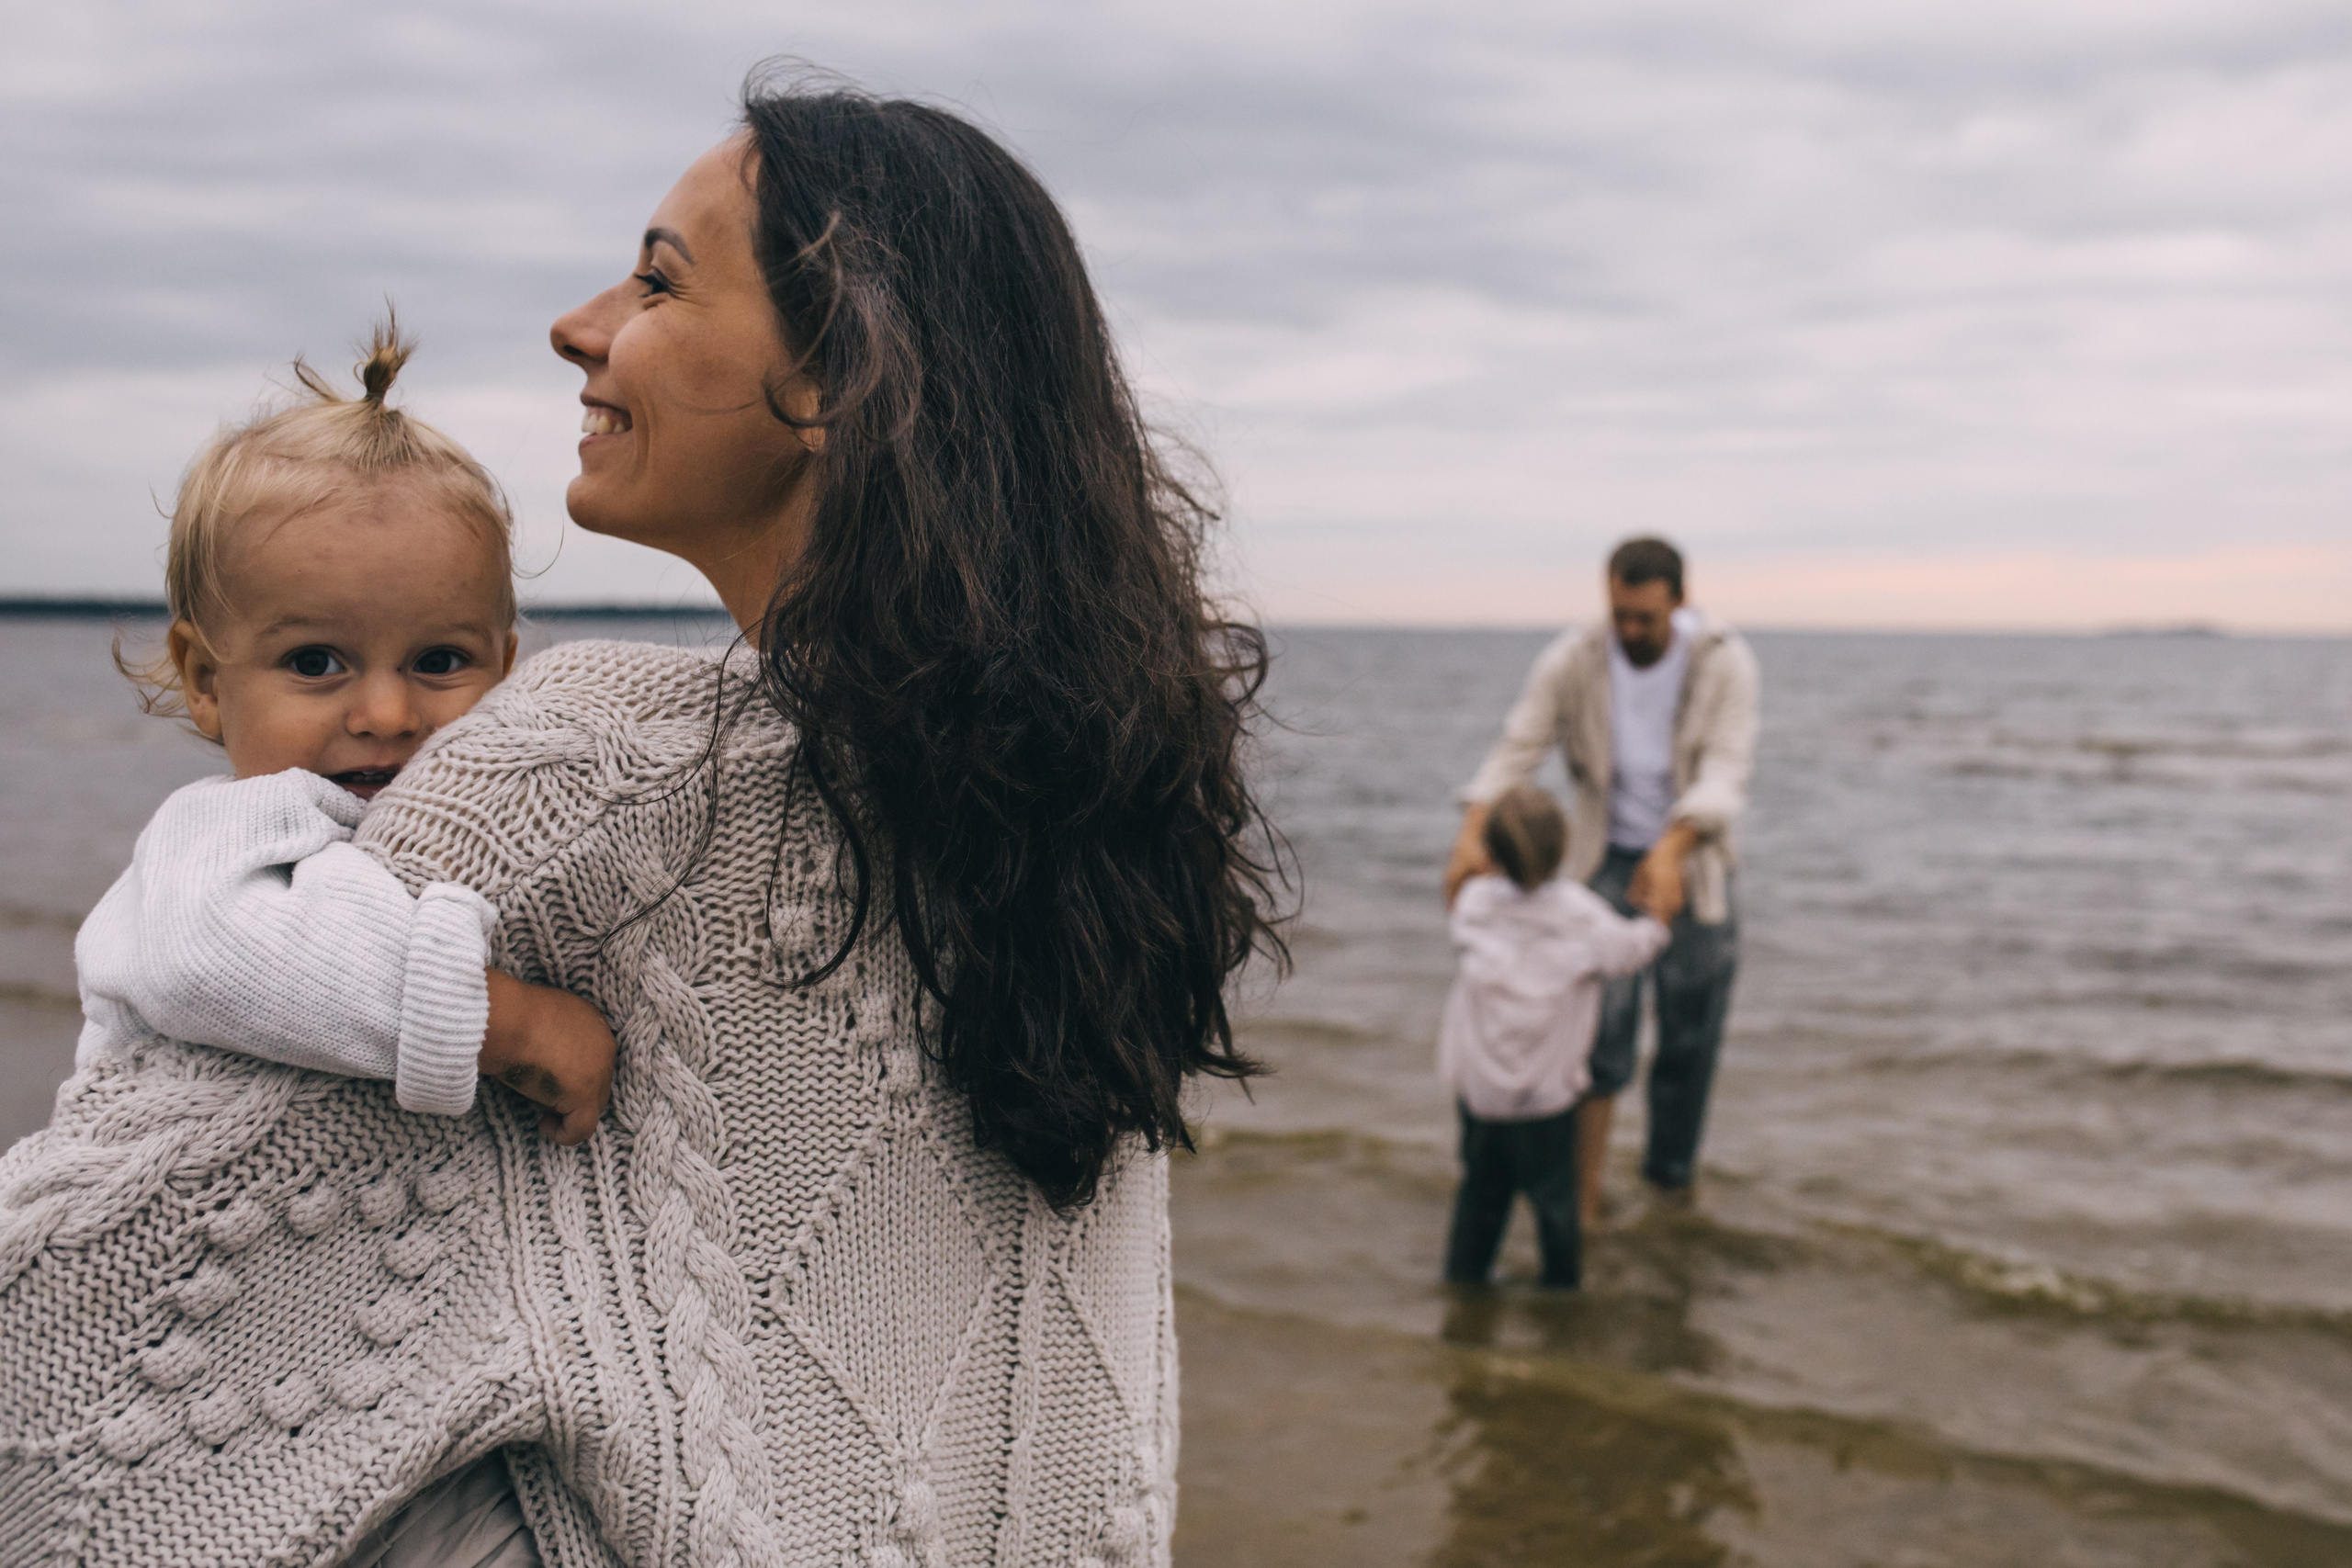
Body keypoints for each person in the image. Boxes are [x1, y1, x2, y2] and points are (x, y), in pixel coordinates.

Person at [0, 78, 1283, 1568]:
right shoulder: (1093, 820)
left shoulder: (603, 773)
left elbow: (64, 1376)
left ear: (829, 379)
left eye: (661, 279)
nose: (581, 323)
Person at [1444, 536, 1758, 1219]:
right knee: (1598, 1032)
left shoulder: (1725, 663)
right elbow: (1518, 747)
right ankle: (1582, 1202)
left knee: (1689, 1035)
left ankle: (1669, 1189)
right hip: (1603, 858)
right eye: (1620, 614)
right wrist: (1472, 830)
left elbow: (1726, 773)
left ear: (1681, 600)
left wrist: (1673, 848)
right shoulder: (1574, 658)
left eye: (1646, 617)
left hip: (1695, 861)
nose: (1631, 630)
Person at [1440, 785, 1668, 1289]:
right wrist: (1660, 919)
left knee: (1480, 1194)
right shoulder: (1580, 914)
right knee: (1555, 1203)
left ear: (1491, 855)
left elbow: (1454, 904)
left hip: (1481, 1096)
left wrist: (1465, 864)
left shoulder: (1476, 904)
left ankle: (1464, 1289)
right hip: (1547, 1099)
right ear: (1565, 850)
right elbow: (1631, 951)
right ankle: (1561, 1296)